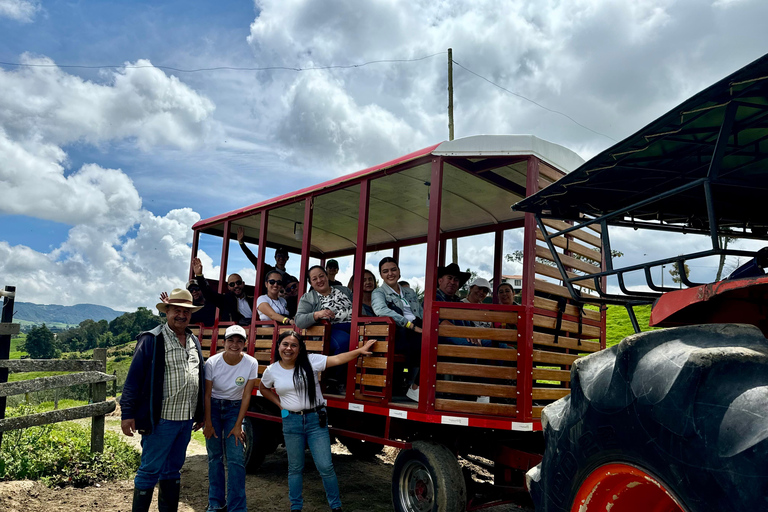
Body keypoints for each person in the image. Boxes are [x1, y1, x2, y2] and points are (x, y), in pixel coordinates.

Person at [259, 330, 375, 512]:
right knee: (295, 468)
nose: (289, 348)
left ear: (299, 349)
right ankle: (296, 507)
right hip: (291, 421)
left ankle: (336, 507)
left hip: (316, 420)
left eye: (294, 345)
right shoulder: (272, 370)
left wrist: (360, 350)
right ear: (278, 346)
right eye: (285, 344)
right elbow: (263, 388)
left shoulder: (310, 361)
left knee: (325, 466)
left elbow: (337, 359)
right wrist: (280, 405)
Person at [121, 288, 205, 512]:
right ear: (166, 311)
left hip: (185, 419)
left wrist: (201, 413)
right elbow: (134, 379)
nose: (181, 315)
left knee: (173, 470)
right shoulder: (152, 339)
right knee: (149, 470)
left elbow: (200, 377)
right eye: (176, 310)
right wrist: (127, 414)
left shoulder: (193, 341)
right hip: (161, 420)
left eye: (186, 311)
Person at [203, 325, 259, 512]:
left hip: (234, 409)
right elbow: (207, 394)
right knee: (214, 457)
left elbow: (246, 396)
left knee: (235, 458)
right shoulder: (212, 362)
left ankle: (237, 506)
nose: (235, 345)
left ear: (245, 343)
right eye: (231, 341)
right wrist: (208, 423)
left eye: (239, 341)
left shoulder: (251, 363)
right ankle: (215, 503)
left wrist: (237, 425)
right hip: (214, 408)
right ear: (223, 342)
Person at [371, 257, 423, 402]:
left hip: (418, 327)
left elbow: (420, 311)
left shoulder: (410, 292)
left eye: (393, 270)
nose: (390, 274)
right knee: (428, 344)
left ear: (399, 272)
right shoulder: (378, 293)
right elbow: (381, 310)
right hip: (400, 331)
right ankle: (414, 387)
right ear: (381, 275)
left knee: (439, 341)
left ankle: (418, 385)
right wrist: (409, 325)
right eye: (385, 271)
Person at [295, 265, 354, 392]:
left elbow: (360, 309)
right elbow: (299, 320)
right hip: (330, 329)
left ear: (327, 276)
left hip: (354, 327)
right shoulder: (308, 297)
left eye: (321, 276)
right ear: (310, 282)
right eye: (314, 279)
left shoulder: (344, 290)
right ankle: (337, 380)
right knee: (346, 341)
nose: (319, 280)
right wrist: (317, 314)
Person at [434, 263, 494, 347]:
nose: (452, 282)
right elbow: (441, 323)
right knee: (473, 345)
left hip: (463, 336)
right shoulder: (434, 298)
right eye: (449, 278)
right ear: (440, 280)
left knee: (501, 346)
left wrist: (473, 335)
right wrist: (465, 333)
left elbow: (469, 323)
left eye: (456, 280)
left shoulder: (458, 301)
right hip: (444, 339)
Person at [192, 257, 254, 326]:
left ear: (243, 283)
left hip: (256, 331)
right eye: (232, 284)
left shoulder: (253, 299)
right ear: (228, 287)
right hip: (235, 333)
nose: (236, 286)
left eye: (238, 283)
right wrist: (199, 276)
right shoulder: (225, 300)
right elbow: (208, 294)